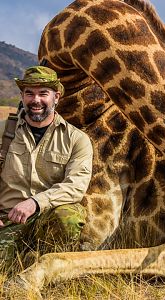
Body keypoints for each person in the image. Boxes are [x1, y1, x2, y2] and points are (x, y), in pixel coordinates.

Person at [0, 66, 93, 271]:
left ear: (56, 97)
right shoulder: (3, 130)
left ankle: (49, 267)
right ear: (22, 96)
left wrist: (35, 203)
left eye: (43, 93)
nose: (36, 100)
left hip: (49, 218)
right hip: (7, 220)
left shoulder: (77, 139)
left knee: (69, 217)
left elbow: (76, 186)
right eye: (29, 93)